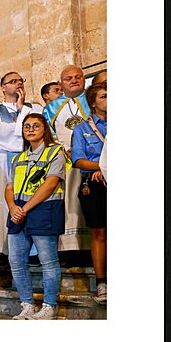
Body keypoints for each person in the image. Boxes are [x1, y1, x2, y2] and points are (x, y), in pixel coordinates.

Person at [5, 113, 67, 320]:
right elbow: (9, 186)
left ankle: (49, 307)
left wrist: (25, 208)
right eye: (26, 126)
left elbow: (50, 184)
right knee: (16, 261)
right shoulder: (18, 157)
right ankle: (27, 305)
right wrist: (13, 206)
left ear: (45, 129)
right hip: (18, 211)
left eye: (36, 126)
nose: (30, 129)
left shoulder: (55, 152)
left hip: (44, 208)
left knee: (48, 261)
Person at [0, 72, 42, 256]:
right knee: (6, 202)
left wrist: (21, 110)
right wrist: (21, 131)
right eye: (13, 81)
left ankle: (36, 250)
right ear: (3, 87)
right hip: (5, 161)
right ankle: (8, 249)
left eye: (20, 81)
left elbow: (39, 131)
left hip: (33, 159)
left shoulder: (35, 108)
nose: (18, 84)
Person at [43, 65, 92, 253]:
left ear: (83, 78)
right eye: (68, 78)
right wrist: (65, 149)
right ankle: (70, 248)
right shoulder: (52, 107)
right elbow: (48, 132)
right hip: (64, 158)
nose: (73, 80)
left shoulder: (92, 100)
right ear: (61, 83)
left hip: (91, 157)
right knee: (68, 201)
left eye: (77, 77)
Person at [71, 81, 107, 304]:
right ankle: (102, 282)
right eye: (104, 96)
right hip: (94, 184)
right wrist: (102, 168)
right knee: (99, 232)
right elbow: (79, 160)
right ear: (93, 103)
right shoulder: (82, 128)